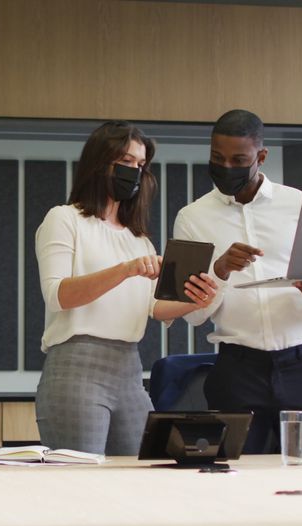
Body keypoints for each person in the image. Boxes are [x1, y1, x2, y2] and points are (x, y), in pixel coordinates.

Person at [173, 109, 302, 454]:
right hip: (237, 371)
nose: (226, 167)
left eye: (238, 159)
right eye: (217, 158)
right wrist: (219, 270)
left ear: (261, 157)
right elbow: (192, 315)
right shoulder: (191, 218)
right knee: (237, 481)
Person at [34, 120, 220, 455]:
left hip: (129, 369)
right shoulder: (64, 219)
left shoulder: (139, 240)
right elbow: (58, 294)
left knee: (141, 471)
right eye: (125, 162)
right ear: (98, 163)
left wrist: (197, 298)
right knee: (82, 478)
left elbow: (155, 307)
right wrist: (125, 269)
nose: (133, 170)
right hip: (77, 366)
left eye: (140, 164)